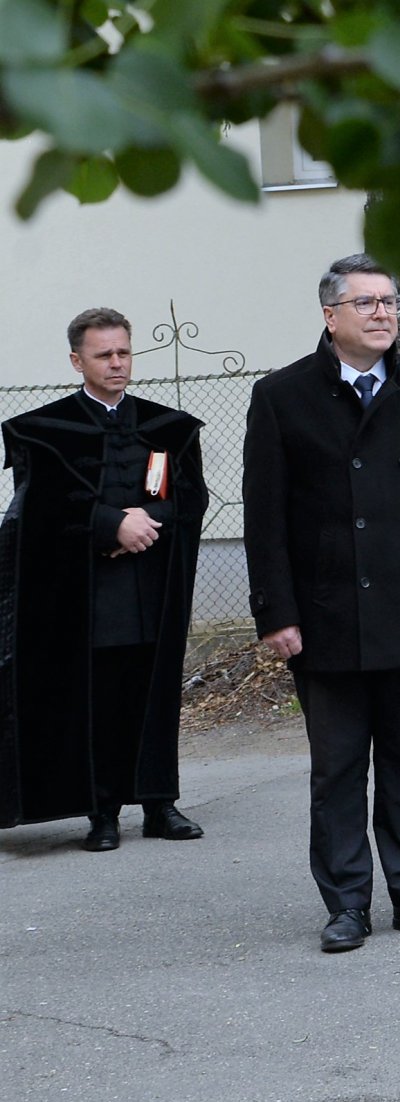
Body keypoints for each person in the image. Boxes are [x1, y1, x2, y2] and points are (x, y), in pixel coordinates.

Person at [243, 254, 400, 953]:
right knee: (340, 768)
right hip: (325, 617)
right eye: (367, 303)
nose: (384, 313)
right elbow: (264, 520)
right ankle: (347, 902)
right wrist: (276, 613)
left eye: (391, 301)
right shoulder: (282, 395)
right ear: (330, 315)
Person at [0, 308, 207, 851]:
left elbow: (184, 495)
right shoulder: (46, 432)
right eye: (104, 355)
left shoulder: (166, 428)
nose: (117, 364)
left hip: (153, 586)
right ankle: (103, 812)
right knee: (100, 696)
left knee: (153, 693)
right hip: (88, 592)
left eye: (123, 353)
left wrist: (147, 522)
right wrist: (110, 523)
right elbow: (39, 509)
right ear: (77, 361)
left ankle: (161, 805)